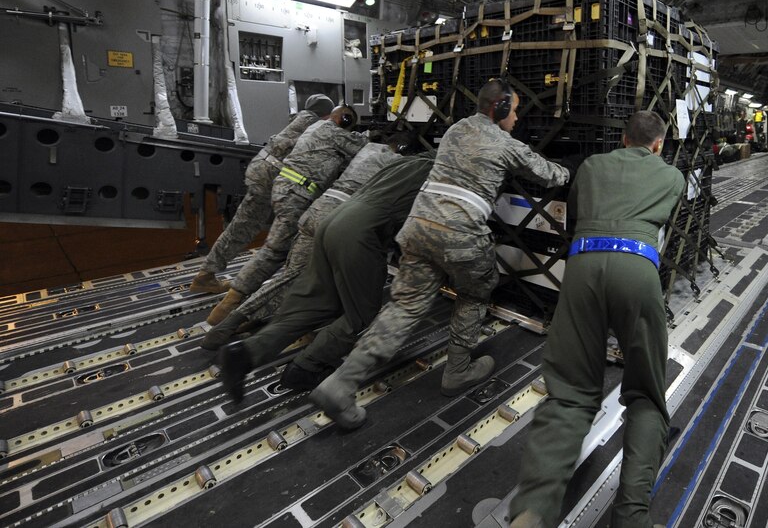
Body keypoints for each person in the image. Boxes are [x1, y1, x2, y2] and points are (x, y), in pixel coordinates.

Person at [308, 80, 569, 429]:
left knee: (405, 306)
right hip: (460, 234)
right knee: (476, 290)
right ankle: (457, 371)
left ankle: (341, 383)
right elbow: (551, 174)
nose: (518, 117)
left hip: (418, 228)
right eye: (515, 109)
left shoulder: (456, 130)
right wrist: (569, 169)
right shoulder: (506, 144)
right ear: (500, 109)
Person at [508, 111, 683, 528]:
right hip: (637, 269)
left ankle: (532, 511)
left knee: (569, 393)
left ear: (623, 140)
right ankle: (630, 518)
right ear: (657, 144)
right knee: (645, 395)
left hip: (583, 266)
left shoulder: (589, 166)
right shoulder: (672, 176)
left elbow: (575, 212)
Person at [212, 152, 437, 403]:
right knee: (360, 314)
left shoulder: (409, 161)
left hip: (333, 222)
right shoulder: (440, 173)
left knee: (317, 303)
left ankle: (244, 354)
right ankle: (306, 367)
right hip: (360, 234)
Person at [200, 130, 415, 348]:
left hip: (316, 210)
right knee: (310, 281)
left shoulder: (366, 149)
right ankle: (252, 323)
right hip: (339, 218)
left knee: (292, 274)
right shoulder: (400, 165)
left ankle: (235, 317)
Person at [207, 105, 364, 324]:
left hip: (284, 189)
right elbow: (365, 148)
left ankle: (236, 300)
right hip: (297, 195)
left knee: (280, 248)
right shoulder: (336, 133)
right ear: (344, 121)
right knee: (275, 252)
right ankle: (231, 306)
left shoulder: (317, 126)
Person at [189, 94, 335, 294]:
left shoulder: (300, 119)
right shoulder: (317, 125)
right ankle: (211, 277)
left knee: (244, 224)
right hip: (271, 177)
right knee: (258, 229)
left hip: (261, 170)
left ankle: (206, 274)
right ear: (327, 114)